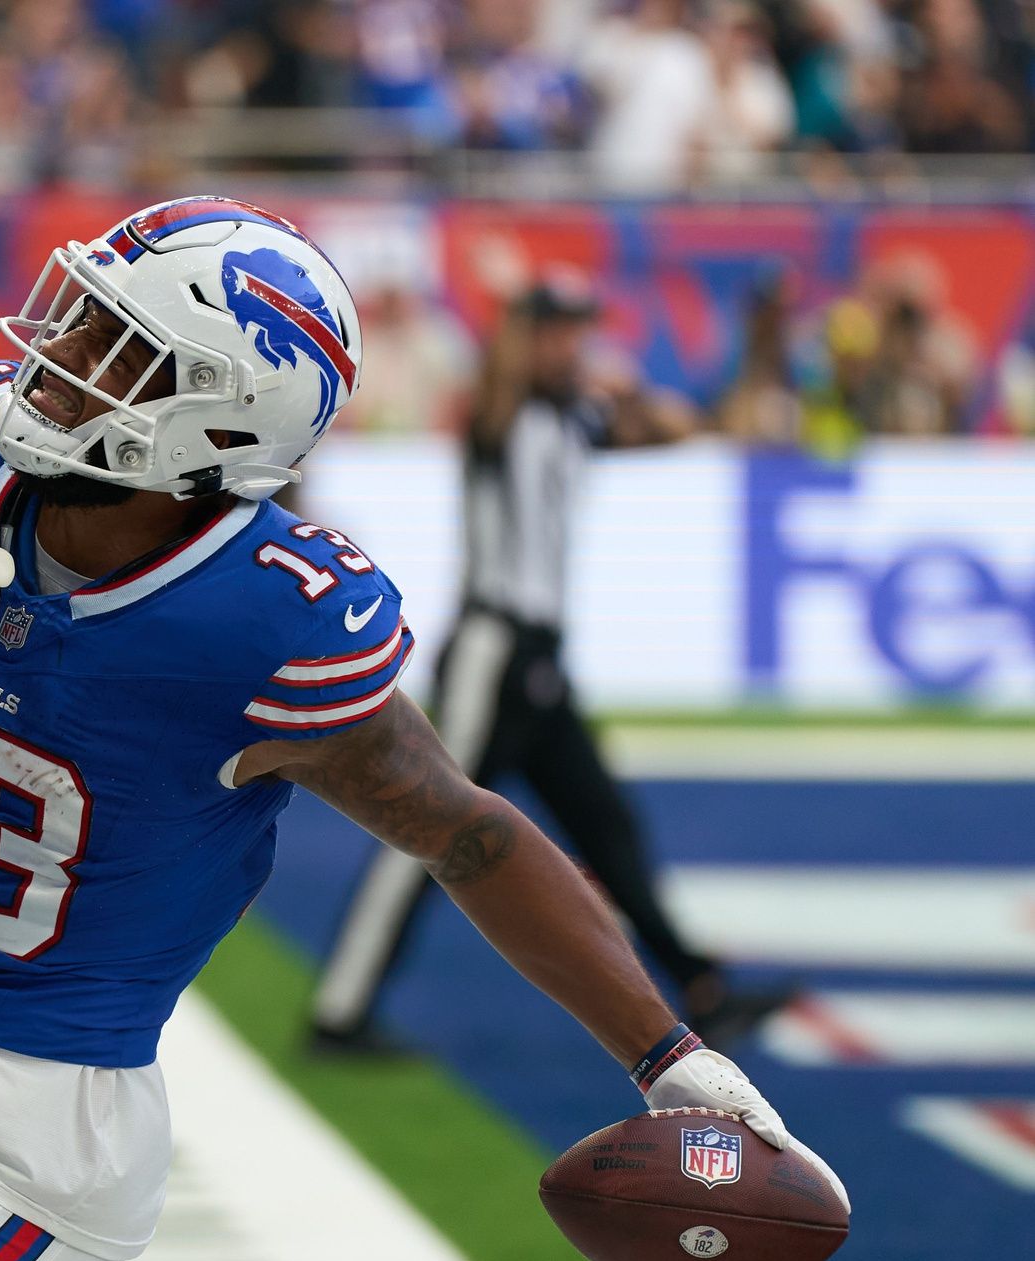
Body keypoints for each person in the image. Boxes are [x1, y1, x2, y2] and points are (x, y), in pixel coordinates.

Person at [0, 198, 844, 1261]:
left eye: (112, 344)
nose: (59, 349)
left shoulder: (254, 620)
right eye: (81, 313)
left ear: (217, 424)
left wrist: (668, 1056)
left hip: (27, 1139)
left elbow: (468, 834)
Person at [310, 267, 795, 1057]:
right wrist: (518, 322)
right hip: (492, 652)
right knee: (422, 826)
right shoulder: (503, 411)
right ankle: (339, 1010)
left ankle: (700, 985)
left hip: (539, 659)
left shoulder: (576, 414)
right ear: (524, 334)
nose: (569, 342)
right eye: (553, 328)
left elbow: (682, 426)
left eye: (576, 327)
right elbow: (499, 386)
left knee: (605, 825)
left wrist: (647, 383)